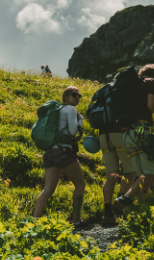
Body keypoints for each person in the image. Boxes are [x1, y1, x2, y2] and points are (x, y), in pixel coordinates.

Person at [33, 86, 93, 231]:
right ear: (66, 97)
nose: (77, 97)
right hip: (63, 151)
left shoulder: (57, 110)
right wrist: (79, 121)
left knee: (47, 190)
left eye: (79, 95)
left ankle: (33, 222)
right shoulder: (70, 109)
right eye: (74, 95)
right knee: (80, 184)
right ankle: (76, 220)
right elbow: (73, 132)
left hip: (50, 152)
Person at [114, 64, 154, 207]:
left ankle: (143, 213)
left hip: (129, 134)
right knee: (153, 174)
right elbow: (151, 106)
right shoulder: (150, 82)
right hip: (144, 132)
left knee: (142, 178)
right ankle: (125, 199)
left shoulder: (131, 86)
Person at [99, 120, 137, 227]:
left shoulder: (100, 102)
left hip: (103, 136)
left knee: (111, 174)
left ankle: (108, 214)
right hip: (120, 133)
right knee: (130, 172)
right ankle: (121, 205)